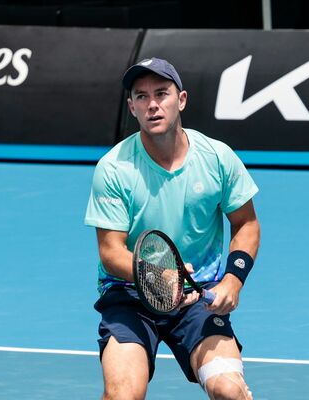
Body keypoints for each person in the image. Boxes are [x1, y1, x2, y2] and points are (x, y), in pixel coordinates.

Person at [84, 57, 261, 400]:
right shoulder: (114, 168)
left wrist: (233, 280)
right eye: (141, 96)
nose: (152, 104)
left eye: (161, 93)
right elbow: (110, 251)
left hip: (199, 298)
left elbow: (246, 223)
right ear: (131, 107)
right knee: (122, 396)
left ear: (181, 100)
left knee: (229, 391)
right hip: (131, 296)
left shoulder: (217, 157)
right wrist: (155, 274)